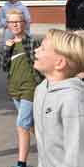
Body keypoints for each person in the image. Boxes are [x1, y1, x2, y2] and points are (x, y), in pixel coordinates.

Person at [32, 29, 84, 167]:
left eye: (42, 48)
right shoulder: (41, 88)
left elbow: (77, 153)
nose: (36, 50)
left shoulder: (72, 99)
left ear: (59, 63)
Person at [0, 9, 42, 167]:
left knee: (22, 124)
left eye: (18, 21)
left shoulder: (32, 42)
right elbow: (3, 67)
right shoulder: (8, 44)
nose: (15, 24)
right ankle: (51, 149)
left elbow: (40, 65)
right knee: (31, 125)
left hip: (30, 88)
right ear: (8, 25)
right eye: (12, 22)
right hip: (14, 89)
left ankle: (21, 163)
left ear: (24, 23)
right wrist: (6, 49)